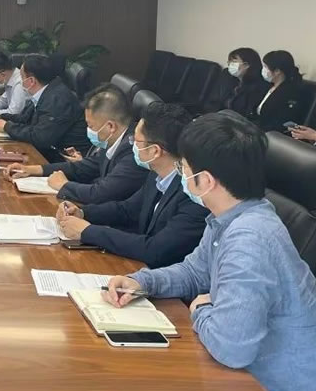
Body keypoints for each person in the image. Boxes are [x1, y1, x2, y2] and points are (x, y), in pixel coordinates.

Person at [103, 112, 316, 391]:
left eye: (183, 167)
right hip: (249, 389)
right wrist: (143, 282)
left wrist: (201, 310)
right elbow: (194, 272)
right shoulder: (233, 216)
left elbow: (233, 348)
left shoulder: (250, 240)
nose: (180, 173)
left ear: (205, 180)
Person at [56, 102, 208, 267]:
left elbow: (155, 249)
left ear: (155, 151)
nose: (132, 145)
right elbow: (127, 210)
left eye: (136, 140)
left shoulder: (193, 193)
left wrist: (88, 231)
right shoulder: (156, 173)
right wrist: (83, 212)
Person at [4, 83, 147, 206]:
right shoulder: (114, 140)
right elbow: (85, 167)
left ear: (110, 126)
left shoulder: (133, 151)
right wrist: (33, 169)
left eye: (90, 126)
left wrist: (64, 185)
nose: (88, 130)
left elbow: (101, 193)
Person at [0, 54, 90, 162]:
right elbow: (24, 118)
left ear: (31, 81)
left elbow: (41, 138)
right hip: (48, 152)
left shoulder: (57, 99)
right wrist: (1, 117)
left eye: (21, 77)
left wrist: (6, 126)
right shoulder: (46, 91)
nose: (20, 81)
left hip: (65, 159)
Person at [256, 50, 307, 133]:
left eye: (265, 67)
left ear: (277, 71)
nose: (263, 70)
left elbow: (283, 122)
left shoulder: (292, 92)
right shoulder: (267, 86)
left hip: (271, 133)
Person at [224, 47, 269, 122]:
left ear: (246, 65)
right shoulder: (231, 80)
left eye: (234, 62)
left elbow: (248, 113)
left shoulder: (259, 86)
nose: (230, 65)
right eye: (229, 62)